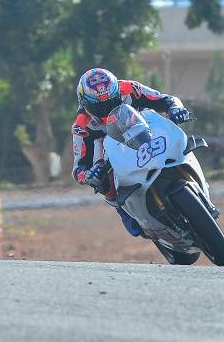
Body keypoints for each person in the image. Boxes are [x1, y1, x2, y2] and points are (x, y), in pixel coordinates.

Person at [71, 67, 208, 240]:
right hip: (107, 143)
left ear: (117, 92)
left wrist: (176, 108)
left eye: (112, 101)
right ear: (85, 103)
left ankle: (188, 169)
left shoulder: (130, 88)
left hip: (144, 127)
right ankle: (122, 209)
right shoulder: (81, 126)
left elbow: (165, 99)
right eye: (99, 106)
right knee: (100, 179)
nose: (106, 109)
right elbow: (78, 168)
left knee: (179, 136)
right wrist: (89, 175)